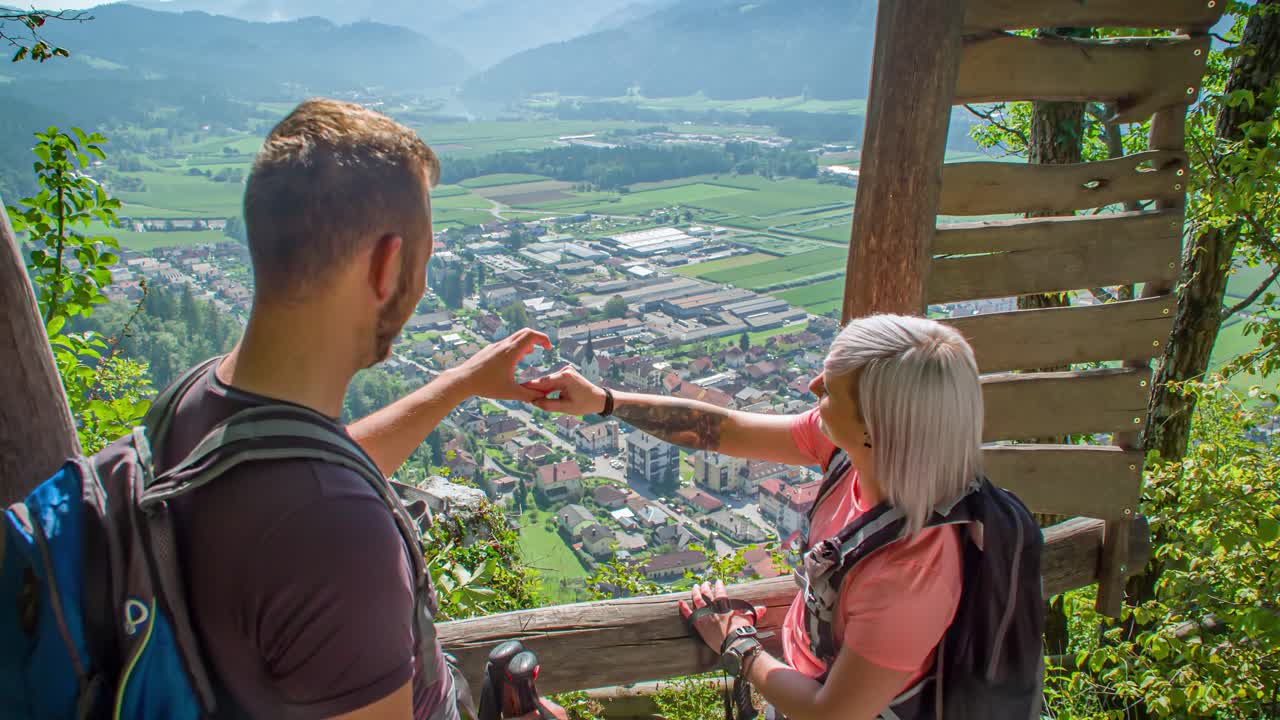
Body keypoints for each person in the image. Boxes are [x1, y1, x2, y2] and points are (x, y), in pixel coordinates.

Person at [156, 98, 566, 720]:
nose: (424, 285)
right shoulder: (338, 541)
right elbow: (321, 500)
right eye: (424, 262)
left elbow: (318, 467)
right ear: (387, 265)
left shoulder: (194, 404)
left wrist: (460, 382)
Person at [522, 314, 985, 720]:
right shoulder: (853, 453)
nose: (812, 388)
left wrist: (738, 644)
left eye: (830, 389)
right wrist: (606, 401)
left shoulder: (910, 572)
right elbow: (723, 430)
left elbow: (831, 713)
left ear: (876, 427)